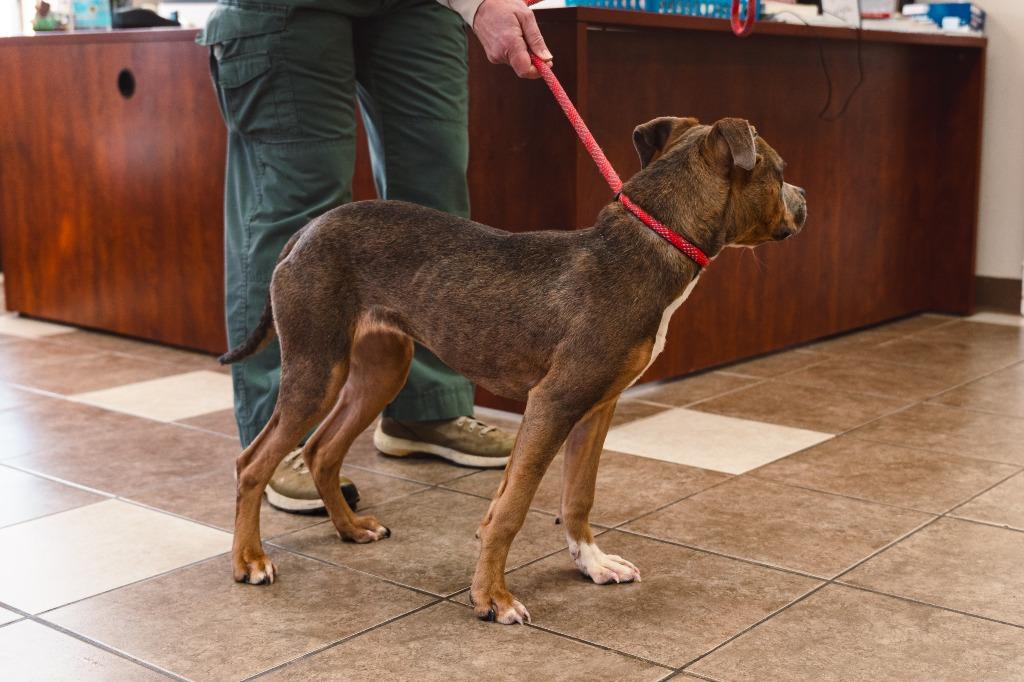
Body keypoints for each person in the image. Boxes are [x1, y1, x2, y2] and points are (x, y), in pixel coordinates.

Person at [198, 0, 552, 512]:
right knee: (299, 211)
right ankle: (281, 437)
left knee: (436, 212)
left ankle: (424, 408)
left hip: (418, 8)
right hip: (286, 8)